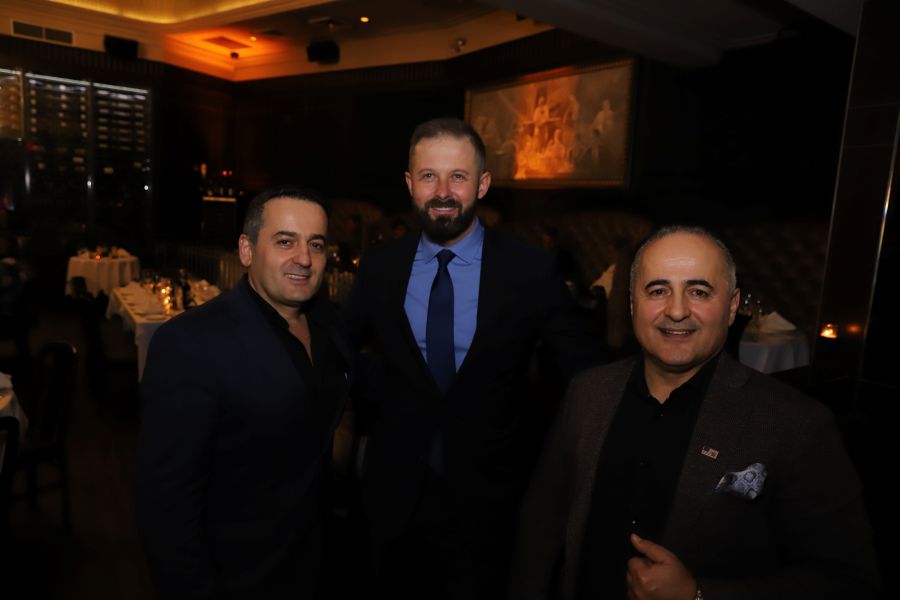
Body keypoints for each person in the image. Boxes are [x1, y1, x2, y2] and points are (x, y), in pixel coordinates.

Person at [510, 225, 882, 600]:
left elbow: (849, 581)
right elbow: (542, 523)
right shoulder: (588, 392)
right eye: (658, 290)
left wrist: (698, 594)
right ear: (633, 303)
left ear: (732, 306)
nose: (676, 311)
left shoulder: (795, 425)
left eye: (699, 292)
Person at [344, 117, 602, 600]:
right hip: (394, 492)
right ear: (410, 184)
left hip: (491, 497)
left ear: (482, 184)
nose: (443, 192)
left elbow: (584, 371)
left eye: (457, 177)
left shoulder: (529, 269)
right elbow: (340, 347)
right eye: (429, 176)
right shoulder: (380, 267)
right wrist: (375, 389)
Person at [136, 186, 352, 598]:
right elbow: (166, 506)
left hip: (315, 562)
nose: (304, 259)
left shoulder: (329, 323)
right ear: (247, 250)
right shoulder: (190, 343)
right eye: (285, 241)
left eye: (316, 244)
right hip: (238, 575)